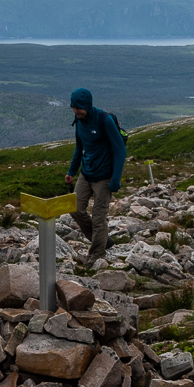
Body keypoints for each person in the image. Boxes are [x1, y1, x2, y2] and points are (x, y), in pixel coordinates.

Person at [62, 87, 126, 260]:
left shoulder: (104, 120)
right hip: (86, 173)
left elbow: (120, 150)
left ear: (88, 106)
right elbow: (79, 147)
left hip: (104, 177)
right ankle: (103, 240)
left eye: (79, 108)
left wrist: (116, 179)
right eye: (73, 108)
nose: (76, 111)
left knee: (99, 218)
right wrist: (71, 171)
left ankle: (96, 255)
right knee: (74, 209)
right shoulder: (79, 120)